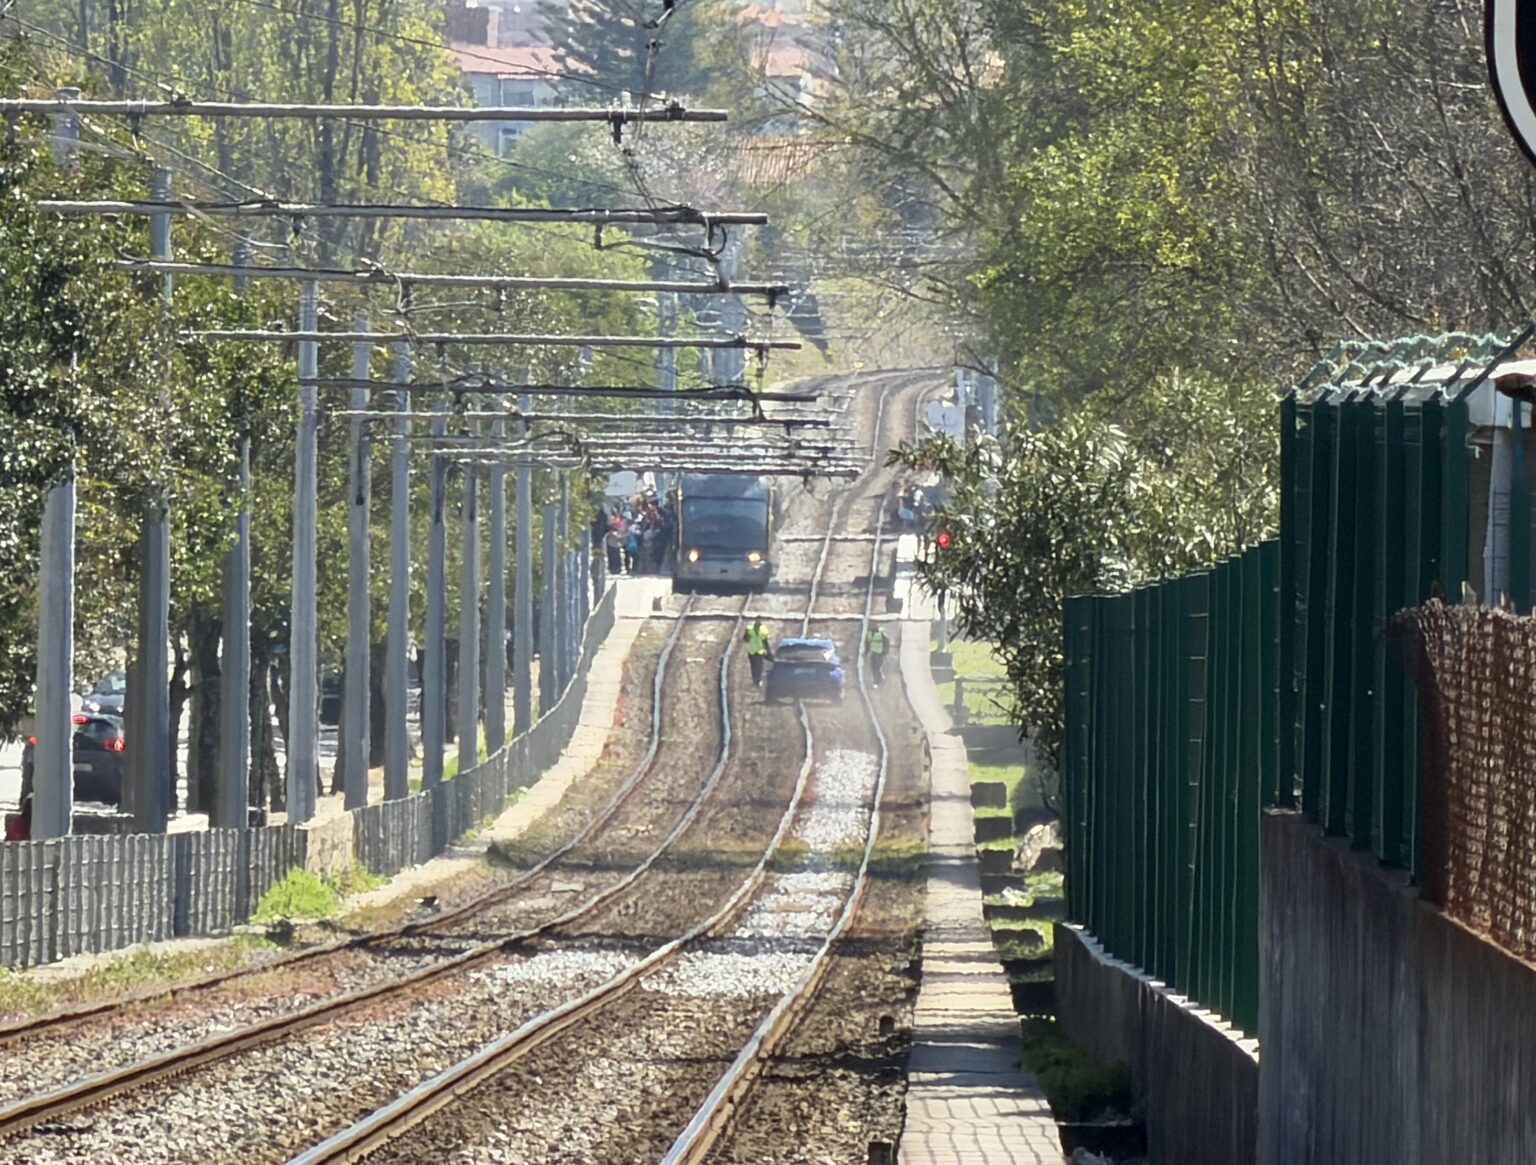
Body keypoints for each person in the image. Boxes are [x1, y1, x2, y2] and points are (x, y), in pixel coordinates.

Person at [745, 618, 773, 687]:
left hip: (760, 651)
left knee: (759, 666)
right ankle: (755, 680)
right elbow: (745, 638)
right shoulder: (749, 628)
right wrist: (747, 638)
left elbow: (765, 641)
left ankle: (757, 680)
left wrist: (767, 650)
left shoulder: (764, 630)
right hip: (752, 651)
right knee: (753, 666)